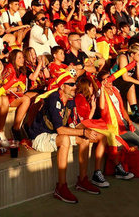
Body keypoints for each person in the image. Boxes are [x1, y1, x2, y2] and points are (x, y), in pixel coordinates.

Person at [24, 69, 103, 203]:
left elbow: (77, 124)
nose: (75, 87)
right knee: (65, 139)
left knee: (85, 140)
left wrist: (89, 132)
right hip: (40, 137)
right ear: (62, 86)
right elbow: (61, 130)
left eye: (75, 84)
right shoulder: (54, 98)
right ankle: (61, 187)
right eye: (71, 84)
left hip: (54, 135)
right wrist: (83, 132)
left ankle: (82, 180)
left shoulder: (70, 100)